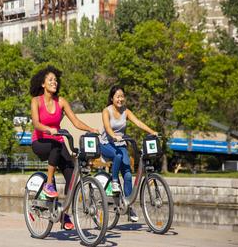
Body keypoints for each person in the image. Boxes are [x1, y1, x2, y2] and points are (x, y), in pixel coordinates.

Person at [30, 66, 98, 230]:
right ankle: (48, 184)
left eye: (55, 80)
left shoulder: (61, 101)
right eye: (50, 80)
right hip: (40, 142)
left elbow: (75, 121)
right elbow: (36, 123)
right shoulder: (36, 101)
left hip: (58, 143)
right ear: (43, 84)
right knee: (55, 145)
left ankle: (64, 214)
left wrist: (90, 129)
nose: (54, 82)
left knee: (72, 177)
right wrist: (49, 129)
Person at [99, 85, 157, 222]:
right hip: (107, 143)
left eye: (122, 96)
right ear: (112, 98)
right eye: (117, 96)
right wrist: (114, 136)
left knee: (128, 174)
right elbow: (107, 128)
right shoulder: (106, 111)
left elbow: (138, 122)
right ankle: (114, 181)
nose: (120, 99)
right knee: (118, 156)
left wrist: (151, 131)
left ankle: (128, 206)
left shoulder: (126, 111)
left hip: (121, 143)